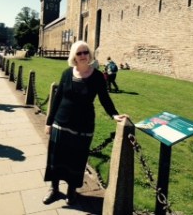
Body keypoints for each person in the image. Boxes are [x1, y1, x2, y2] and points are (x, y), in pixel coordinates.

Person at [43, 40, 129, 205]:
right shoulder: (67, 73)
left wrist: (114, 115)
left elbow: (105, 98)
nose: (83, 56)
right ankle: (54, 189)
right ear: (74, 56)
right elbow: (58, 98)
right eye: (79, 53)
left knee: (76, 160)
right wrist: (49, 122)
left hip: (83, 125)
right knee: (56, 159)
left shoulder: (97, 76)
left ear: (89, 55)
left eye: (85, 52)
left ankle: (71, 191)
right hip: (61, 123)